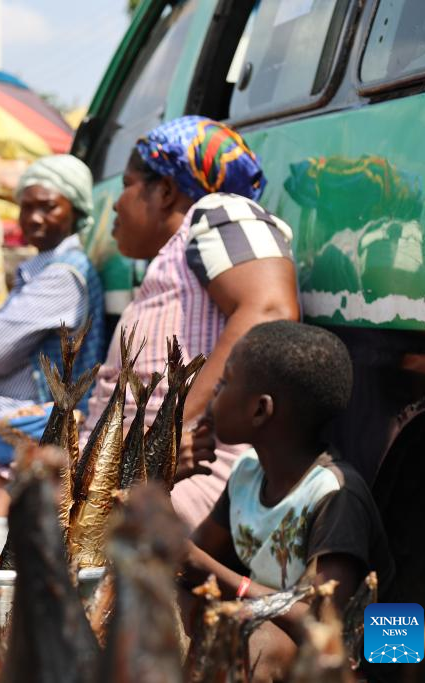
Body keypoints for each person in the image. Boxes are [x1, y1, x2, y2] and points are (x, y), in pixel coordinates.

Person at [72, 116, 301, 527]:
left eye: (126, 185)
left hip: (190, 482)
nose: (116, 204)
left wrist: (167, 438)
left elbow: (269, 310)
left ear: (165, 190)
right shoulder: (169, 263)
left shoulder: (218, 210)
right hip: (134, 482)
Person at [181, 321, 394, 681]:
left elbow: (321, 621)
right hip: (271, 622)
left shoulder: (335, 494)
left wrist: (209, 570)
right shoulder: (249, 472)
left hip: (358, 656)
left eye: (224, 383)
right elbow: (189, 561)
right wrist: (165, 475)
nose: (214, 393)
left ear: (260, 410)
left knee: (253, 644)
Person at [0, 154, 105, 483]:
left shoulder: (62, 276)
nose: (34, 218)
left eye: (48, 207)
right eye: (26, 207)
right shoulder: (42, 269)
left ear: (75, 211)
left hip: (26, 418)